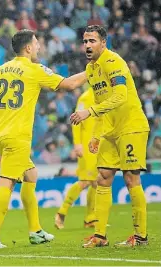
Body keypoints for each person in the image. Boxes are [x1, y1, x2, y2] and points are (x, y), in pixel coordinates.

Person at [0, 29, 87, 248]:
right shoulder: (34, 69)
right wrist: (93, 69)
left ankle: (35, 230)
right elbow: (69, 84)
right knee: (6, 184)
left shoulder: (1, 69)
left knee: (31, 175)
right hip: (17, 136)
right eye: (36, 43)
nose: (39, 47)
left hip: (0, 134)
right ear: (28, 48)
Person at [70, 25, 150, 248]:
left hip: (131, 126)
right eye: (85, 41)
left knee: (130, 179)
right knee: (102, 177)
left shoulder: (113, 62)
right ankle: (100, 236)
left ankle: (141, 236)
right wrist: (96, 134)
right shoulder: (91, 69)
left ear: (103, 43)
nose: (87, 45)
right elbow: (99, 103)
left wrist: (89, 113)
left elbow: (120, 97)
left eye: (92, 41)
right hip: (110, 130)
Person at [55, 88, 98, 229]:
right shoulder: (85, 97)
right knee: (85, 181)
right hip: (86, 147)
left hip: (97, 146)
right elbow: (76, 121)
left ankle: (90, 218)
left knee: (96, 182)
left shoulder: (104, 96)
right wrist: (77, 143)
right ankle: (61, 212)